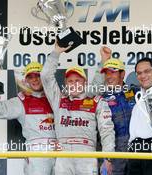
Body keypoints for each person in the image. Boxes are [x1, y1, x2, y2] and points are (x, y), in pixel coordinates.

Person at [99, 46, 152, 175]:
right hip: (115, 156)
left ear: (122, 74)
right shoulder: (101, 99)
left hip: (139, 151)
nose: (109, 76)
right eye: (107, 73)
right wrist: (106, 158)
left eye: (113, 72)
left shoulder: (138, 92)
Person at [40, 43, 115, 175]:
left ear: (85, 83)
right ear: (65, 84)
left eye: (78, 80)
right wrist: (56, 52)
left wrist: (108, 158)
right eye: (70, 81)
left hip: (86, 154)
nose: (74, 84)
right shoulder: (58, 100)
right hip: (63, 156)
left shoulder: (96, 101)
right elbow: (46, 76)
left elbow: (107, 131)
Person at [0, 62, 56, 175]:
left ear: (44, 77)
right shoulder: (21, 101)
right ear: (26, 80)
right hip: (38, 154)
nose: (35, 80)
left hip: (62, 151)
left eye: (37, 75)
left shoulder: (56, 97)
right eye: (30, 77)